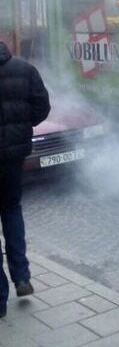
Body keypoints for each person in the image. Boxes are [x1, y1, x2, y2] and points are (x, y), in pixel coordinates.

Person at [0, 41, 50, 318]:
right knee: (11, 210)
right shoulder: (25, 69)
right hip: (13, 158)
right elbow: (43, 107)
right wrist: (22, 125)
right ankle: (21, 277)